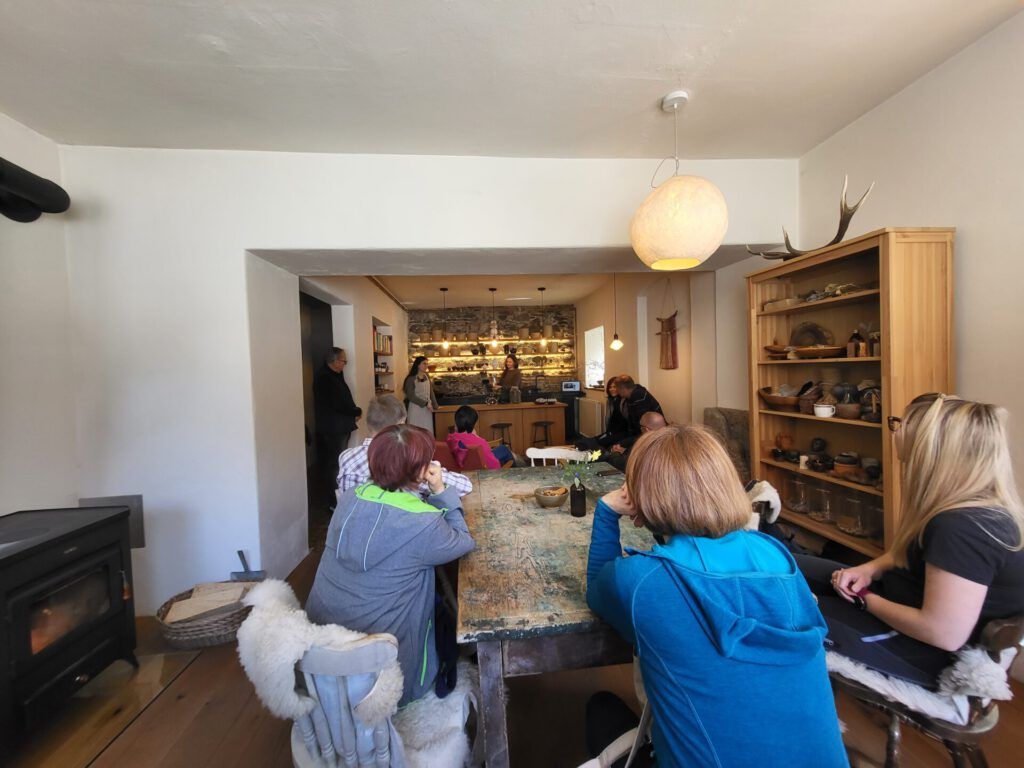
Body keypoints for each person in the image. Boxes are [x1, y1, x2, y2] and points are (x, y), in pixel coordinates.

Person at [586, 425, 847, 767]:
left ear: (640, 496)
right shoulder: (776, 556)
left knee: (601, 708)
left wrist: (606, 512)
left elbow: (597, 589)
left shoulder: (642, 580)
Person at [796, 393, 1024, 688]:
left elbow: (943, 633)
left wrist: (865, 600)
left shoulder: (962, 528)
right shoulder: (965, 506)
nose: (896, 430)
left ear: (932, 446)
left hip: (920, 650)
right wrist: (870, 569)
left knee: (773, 607)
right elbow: (909, 555)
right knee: (782, 566)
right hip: (898, 597)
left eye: (902, 423)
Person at [306, 423, 476, 706]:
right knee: (445, 611)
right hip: (386, 679)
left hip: (320, 667)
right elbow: (463, 541)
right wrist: (440, 489)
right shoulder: (423, 522)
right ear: (420, 471)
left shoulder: (350, 498)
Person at [338, 394, 472, 498]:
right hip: (400, 524)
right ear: (401, 425)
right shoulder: (407, 459)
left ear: (368, 423)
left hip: (355, 525)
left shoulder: (346, 458)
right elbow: (465, 487)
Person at [313, 347, 361, 508]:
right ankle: (333, 501)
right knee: (335, 463)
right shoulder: (324, 378)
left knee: (337, 461)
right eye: (343, 361)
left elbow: (343, 398)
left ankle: (337, 497)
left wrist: (353, 412)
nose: (345, 364)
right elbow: (336, 403)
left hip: (340, 425)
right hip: (333, 428)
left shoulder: (335, 375)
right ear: (333, 361)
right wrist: (355, 411)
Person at [446, 405, 514, 469]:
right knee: (505, 450)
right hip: (482, 471)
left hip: (464, 468)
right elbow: (494, 466)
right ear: (473, 424)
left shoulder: (450, 439)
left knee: (502, 449)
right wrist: (477, 437)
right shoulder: (480, 443)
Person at [575, 377, 628, 453]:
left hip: (619, 434)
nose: (612, 389)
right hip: (610, 432)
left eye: (614, 387)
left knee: (590, 444)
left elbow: (622, 423)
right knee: (584, 442)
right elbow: (609, 420)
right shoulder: (610, 400)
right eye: (610, 387)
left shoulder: (623, 402)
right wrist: (607, 433)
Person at [403, 356, 438, 432]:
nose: (426, 366)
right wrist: (425, 404)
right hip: (415, 409)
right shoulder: (411, 379)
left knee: (427, 430)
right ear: (418, 365)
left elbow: (431, 392)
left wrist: (435, 405)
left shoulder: (426, 376)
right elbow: (411, 396)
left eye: (427, 364)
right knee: (415, 432)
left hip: (427, 409)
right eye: (424, 363)